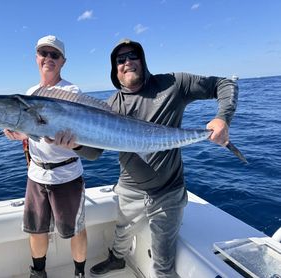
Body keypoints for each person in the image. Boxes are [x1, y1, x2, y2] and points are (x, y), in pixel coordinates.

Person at [50, 38, 238, 278]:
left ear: (143, 60)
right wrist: (75, 145)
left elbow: (224, 84)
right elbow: (94, 153)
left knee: (162, 263)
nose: (127, 62)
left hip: (168, 191)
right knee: (121, 233)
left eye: (132, 56)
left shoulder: (173, 84)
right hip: (129, 188)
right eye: (120, 60)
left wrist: (223, 118)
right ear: (114, 69)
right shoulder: (111, 106)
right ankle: (117, 260)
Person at [4, 35, 87, 278]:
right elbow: (33, 132)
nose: (48, 58)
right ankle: (38, 273)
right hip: (37, 173)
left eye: (54, 55)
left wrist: (73, 141)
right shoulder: (30, 92)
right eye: (43, 53)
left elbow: (76, 134)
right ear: (36, 58)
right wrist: (19, 135)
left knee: (75, 230)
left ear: (63, 61)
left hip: (67, 173)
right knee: (36, 230)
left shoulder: (71, 90)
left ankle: (79, 274)